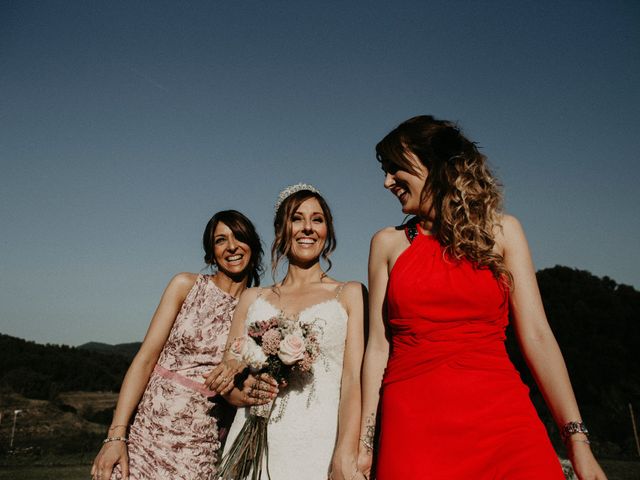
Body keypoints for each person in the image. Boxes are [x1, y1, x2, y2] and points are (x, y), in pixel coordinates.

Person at [357, 116, 607, 479]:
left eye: (396, 168)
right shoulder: (386, 244)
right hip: (414, 428)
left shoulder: (504, 232)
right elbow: (378, 348)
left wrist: (577, 443)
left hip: (504, 425)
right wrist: (366, 445)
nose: (386, 181)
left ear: (436, 164)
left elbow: (537, 336)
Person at [91, 210, 265, 480]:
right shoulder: (185, 285)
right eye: (221, 240)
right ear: (211, 251)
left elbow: (242, 389)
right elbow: (145, 359)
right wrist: (116, 435)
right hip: (147, 431)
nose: (231, 246)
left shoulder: (259, 311)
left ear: (252, 244)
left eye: (238, 237)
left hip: (199, 441)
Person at [217, 184, 366, 480]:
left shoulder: (349, 294)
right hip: (255, 441)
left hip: (320, 442)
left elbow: (352, 380)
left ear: (328, 230)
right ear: (280, 230)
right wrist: (243, 392)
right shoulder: (252, 298)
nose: (308, 228)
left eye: (318, 220)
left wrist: (345, 452)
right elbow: (228, 376)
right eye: (297, 218)